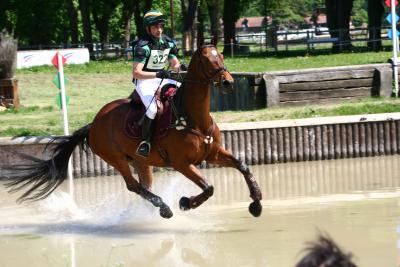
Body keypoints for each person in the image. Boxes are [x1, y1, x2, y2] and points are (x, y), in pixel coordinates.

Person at [132, 10, 182, 158]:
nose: (159, 30)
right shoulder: (143, 46)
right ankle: (145, 142)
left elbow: (174, 64)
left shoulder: (168, 42)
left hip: (162, 78)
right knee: (153, 108)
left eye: (160, 26)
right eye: (155, 27)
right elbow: (136, 72)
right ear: (148, 29)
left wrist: (180, 67)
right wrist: (157, 74)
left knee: (185, 92)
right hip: (144, 81)